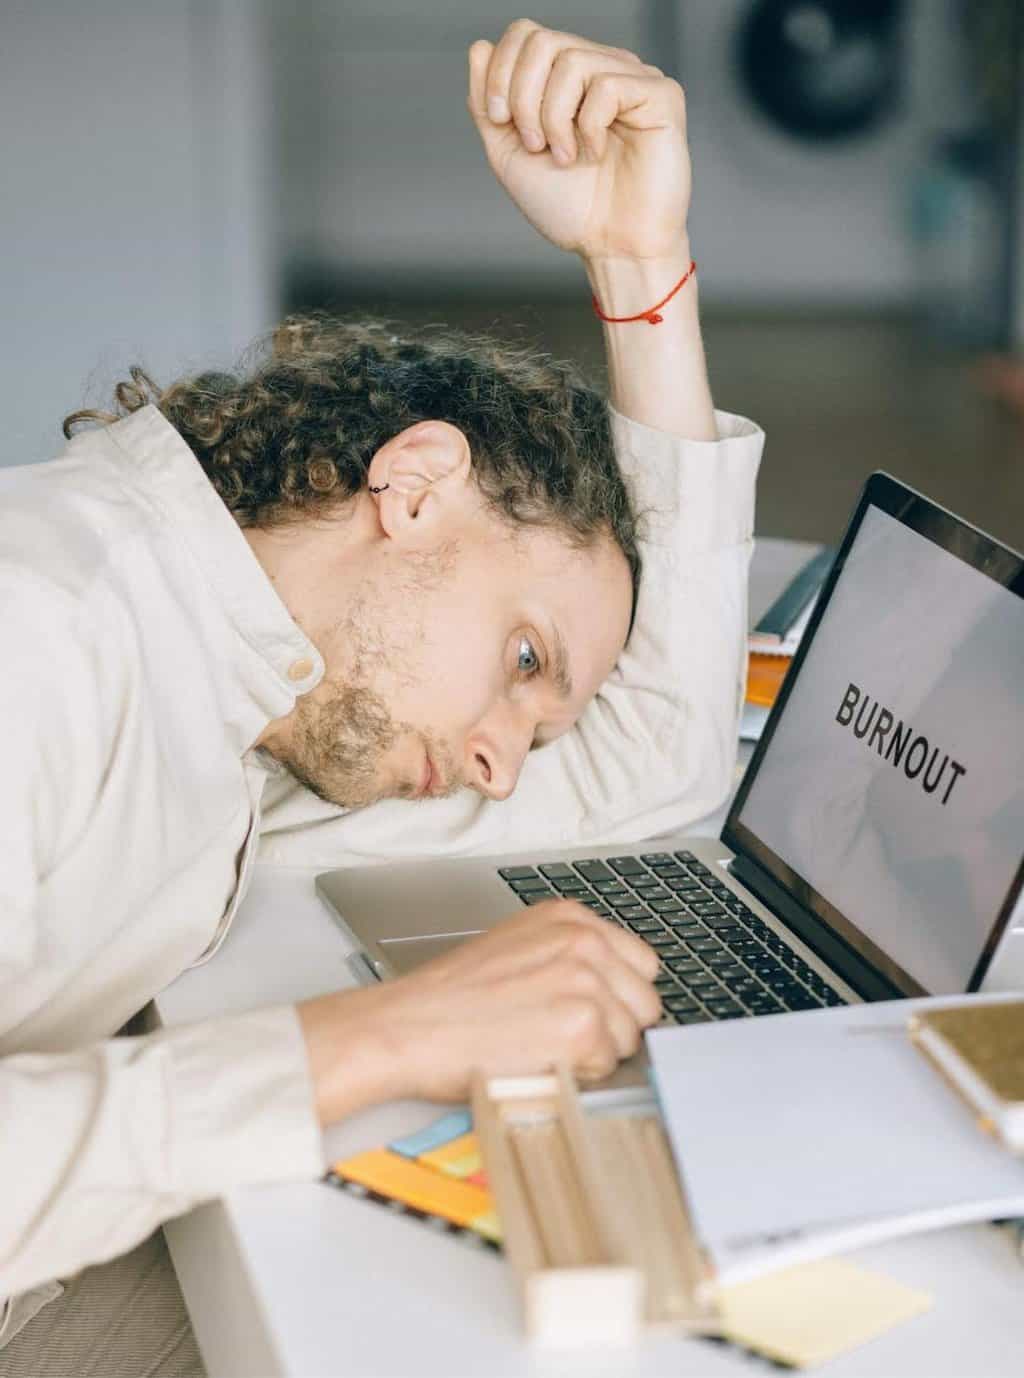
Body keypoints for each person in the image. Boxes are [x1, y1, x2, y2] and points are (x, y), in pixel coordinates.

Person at [0, 17, 763, 1356]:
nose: (501, 763)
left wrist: (641, 260)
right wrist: (377, 1034)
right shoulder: (45, 632)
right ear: (412, 486)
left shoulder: (262, 710)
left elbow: (660, 765)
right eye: (526, 662)